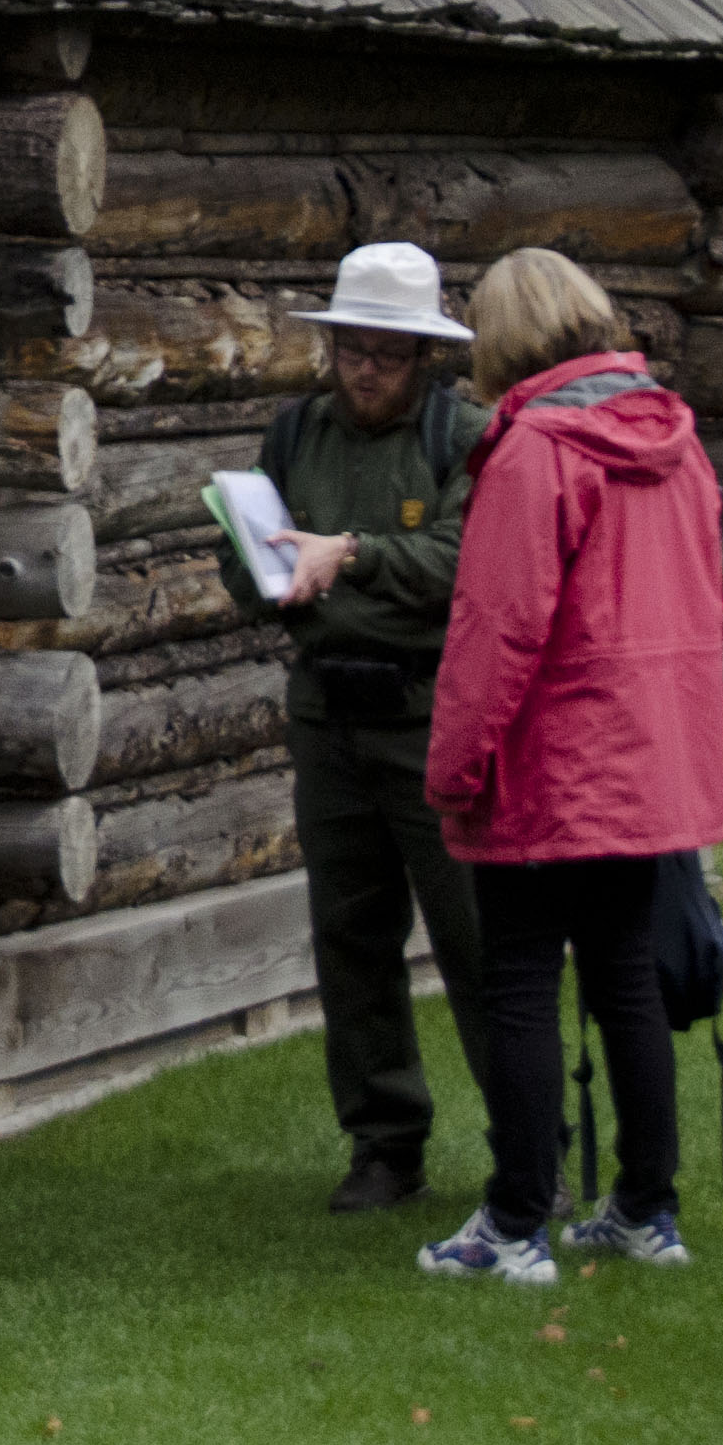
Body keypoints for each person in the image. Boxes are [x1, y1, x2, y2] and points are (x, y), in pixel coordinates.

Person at [414, 250, 723, 1287]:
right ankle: (644, 1207)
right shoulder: (675, 443)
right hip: (646, 757)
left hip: (551, 756)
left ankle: (512, 1226)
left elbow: (496, 628)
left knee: (518, 979)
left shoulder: (533, 451)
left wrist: (455, 765)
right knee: (623, 974)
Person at [232, 241, 491, 1213]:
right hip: (326, 719)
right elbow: (244, 557)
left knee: (475, 941)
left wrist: (346, 558)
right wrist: (268, 577)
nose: (366, 368)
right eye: (351, 349)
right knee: (349, 939)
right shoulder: (294, 436)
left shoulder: (460, 436)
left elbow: (460, 560)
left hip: (430, 720)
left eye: (385, 352)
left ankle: (526, 1142)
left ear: (421, 355)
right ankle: (383, 1146)